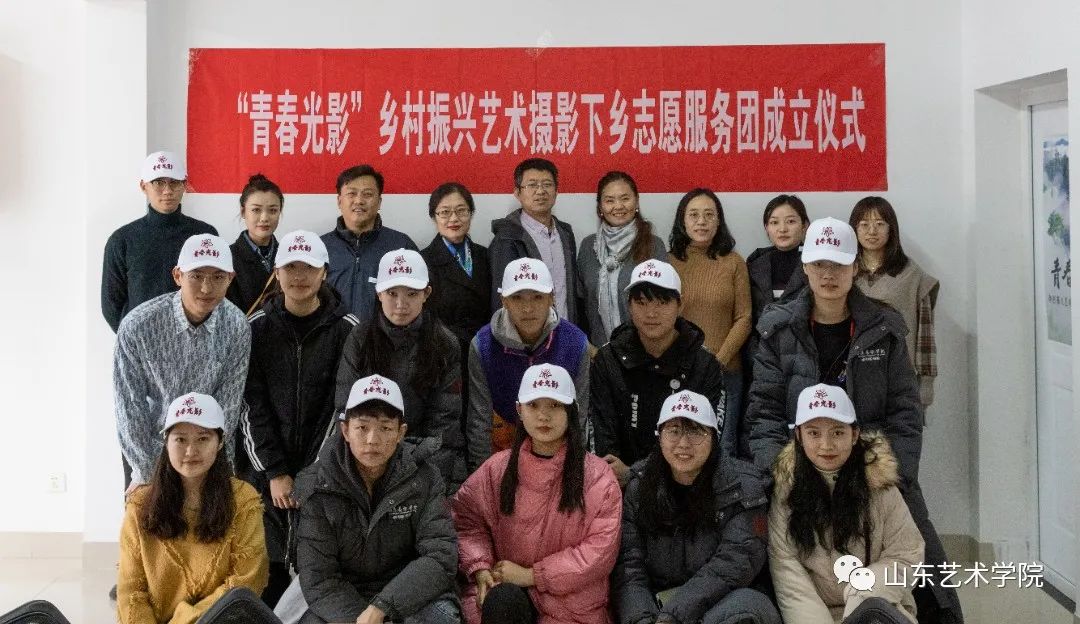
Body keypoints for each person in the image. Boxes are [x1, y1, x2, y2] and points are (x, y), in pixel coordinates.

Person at [746, 218, 962, 624]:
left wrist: (888, 473)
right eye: (820, 264)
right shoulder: (778, 329)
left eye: (839, 264)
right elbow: (764, 414)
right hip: (802, 465)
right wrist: (784, 471)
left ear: (856, 267)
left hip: (871, 466)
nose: (829, 274)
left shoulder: (883, 327)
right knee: (773, 559)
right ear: (805, 267)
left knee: (929, 567)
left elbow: (905, 413)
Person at [240, 230, 359, 607]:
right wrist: (275, 472)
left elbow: (344, 408)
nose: (299, 276)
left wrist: (312, 472)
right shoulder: (255, 327)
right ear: (276, 273)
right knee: (269, 572)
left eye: (309, 268)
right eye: (290, 267)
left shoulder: (347, 329)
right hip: (266, 472)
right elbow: (250, 405)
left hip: (324, 470)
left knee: (319, 565)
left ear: (324, 272)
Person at [453, 364, 622, 624]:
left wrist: (532, 576)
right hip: (506, 592)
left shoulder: (598, 477)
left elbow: (598, 553)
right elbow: (466, 520)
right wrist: (480, 567)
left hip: (571, 604)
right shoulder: (497, 469)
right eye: (533, 405)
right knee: (501, 602)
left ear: (572, 411)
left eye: (555, 405)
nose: (543, 415)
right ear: (519, 410)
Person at [289, 375, 460, 624]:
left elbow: (440, 556)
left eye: (385, 428)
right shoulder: (318, 486)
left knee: (442, 617)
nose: (372, 439)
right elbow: (319, 578)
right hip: (345, 597)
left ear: (401, 432)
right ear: (345, 430)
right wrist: (362, 618)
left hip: (408, 595)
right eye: (362, 427)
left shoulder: (424, 477)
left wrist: (383, 608)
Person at [614, 391, 779, 624]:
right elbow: (629, 567)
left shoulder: (743, 488)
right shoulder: (639, 488)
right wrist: (643, 620)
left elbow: (735, 563)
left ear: (713, 437)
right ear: (659, 436)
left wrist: (672, 617)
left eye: (695, 431)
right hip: (657, 606)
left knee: (750, 606)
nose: (683, 443)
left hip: (719, 603)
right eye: (674, 431)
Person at [769, 384, 924, 624]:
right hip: (816, 614)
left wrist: (861, 593)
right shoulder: (785, 493)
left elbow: (907, 555)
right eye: (814, 433)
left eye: (838, 432)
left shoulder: (881, 486)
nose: (826, 445)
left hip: (878, 606)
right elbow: (788, 574)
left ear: (854, 435)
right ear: (798, 436)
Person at [117, 392, 269, 624]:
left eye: (202, 438)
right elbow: (130, 590)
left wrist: (183, 621)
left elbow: (245, 582)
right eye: (180, 439)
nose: (190, 451)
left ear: (220, 443)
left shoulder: (243, 500)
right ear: (166, 442)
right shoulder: (139, 505)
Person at [114, 234, 250, 492]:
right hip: (148, 451)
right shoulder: (138, 326)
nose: (206, 288)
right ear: (178, 276)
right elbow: (129, 407)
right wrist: (147, 471)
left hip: (210, 455)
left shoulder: (237, 326)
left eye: (218, 277)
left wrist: (207, 463)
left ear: (230, 278)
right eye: (196, 276)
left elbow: (228, 406)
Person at [334, 249, 466, 491]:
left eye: (411, 294)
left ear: (426, 293)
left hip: (422, 460)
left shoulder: (444, 343)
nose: (401, 304)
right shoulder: (360, 338)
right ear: (378, 293)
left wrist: (413, 468)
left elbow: (444, 422)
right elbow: (346, 408)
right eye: (392, 293)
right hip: (367, 454)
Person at [591, 260, 726, 486]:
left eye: (662, 302)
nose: (651, 313)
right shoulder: (608, 360)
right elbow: (602, 434)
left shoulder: (705, 364)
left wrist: (637, 474)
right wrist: (622, 476)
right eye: (641, 302)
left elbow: (707, 439)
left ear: (680, 305)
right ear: (629, 306)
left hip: (685, 480)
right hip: (618, 485)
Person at [466, 259, 590, 471]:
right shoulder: (482, 345)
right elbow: (479, 422)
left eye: (537, 297)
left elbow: (578, 419)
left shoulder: (576, 343)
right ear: (504, 300)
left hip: (557, 447)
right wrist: (483, 478)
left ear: (551, 297)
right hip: (503, 448)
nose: (527, 308)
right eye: (517, 298)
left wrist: (572, 472)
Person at [102, 150, 217, 332]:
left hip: (195, 339)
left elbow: (216, 291)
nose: (167, 191)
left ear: (184, 185)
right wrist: (135, 340)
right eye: (158, 182)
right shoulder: (122, 240)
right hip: (141, 341)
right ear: (143, 186)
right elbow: (111, 305)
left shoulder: (205, 235)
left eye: (174, 182)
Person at [667, 188, 751, 431]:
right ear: (682, 221)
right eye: (693, 215)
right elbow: (664, 318)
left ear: (718, 221)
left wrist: (717, 362)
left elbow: (744, 318)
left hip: (726, 372)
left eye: (709, 215)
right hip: (680, 372)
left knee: (724, 446)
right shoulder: (669, 262)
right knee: (681, 442)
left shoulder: (734, 262)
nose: (701, 221)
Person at [849, 197, 940, 409]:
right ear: (853, 229)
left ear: (892, 229)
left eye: (880, 224)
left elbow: (925, 334)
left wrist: (926, 381)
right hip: (853, 376)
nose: (872, 231)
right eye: (864, 224)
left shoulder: (912, 276)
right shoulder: (843, 274)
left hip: (898, 376)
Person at [420, 182, 492, 425]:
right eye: (445, 212)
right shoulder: (424, 260)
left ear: (471, 214)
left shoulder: (485, 255)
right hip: (445, 358)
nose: (454, 218)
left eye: (461, 211)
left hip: (484, 354)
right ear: (434, 217)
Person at [578, 171, 666, 347]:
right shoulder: (588, 247)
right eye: (609, 200)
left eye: (625, 198)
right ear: (600, 207)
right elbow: (582, 303)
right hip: (600, 352)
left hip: (645, 351)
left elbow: (664, 304)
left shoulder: (653, 245)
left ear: (636, 202)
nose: (618, 206)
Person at [489, 158, 581, 324]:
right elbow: (501, 298)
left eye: (547, 184)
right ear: (517, 193)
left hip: (565, 330)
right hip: (528, 334)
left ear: (556, 191)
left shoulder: (565, 233)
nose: (540, 191)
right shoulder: (506, 238)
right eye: (532, 185)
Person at [321, 164, 417, 322]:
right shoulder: (320, 248)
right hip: (330, 336)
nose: (359, 201)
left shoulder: (401, 246)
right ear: (339, 201)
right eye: (351, 193)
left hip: (382, 337)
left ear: (379, 202)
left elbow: (417, 300)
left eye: (367, 194)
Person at [226, 173, 284, 315]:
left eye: (273, 210)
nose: (264, 218)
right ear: (243, 212)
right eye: (256, 210)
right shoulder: (226, 257)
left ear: (280, 212)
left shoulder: (288, 256)